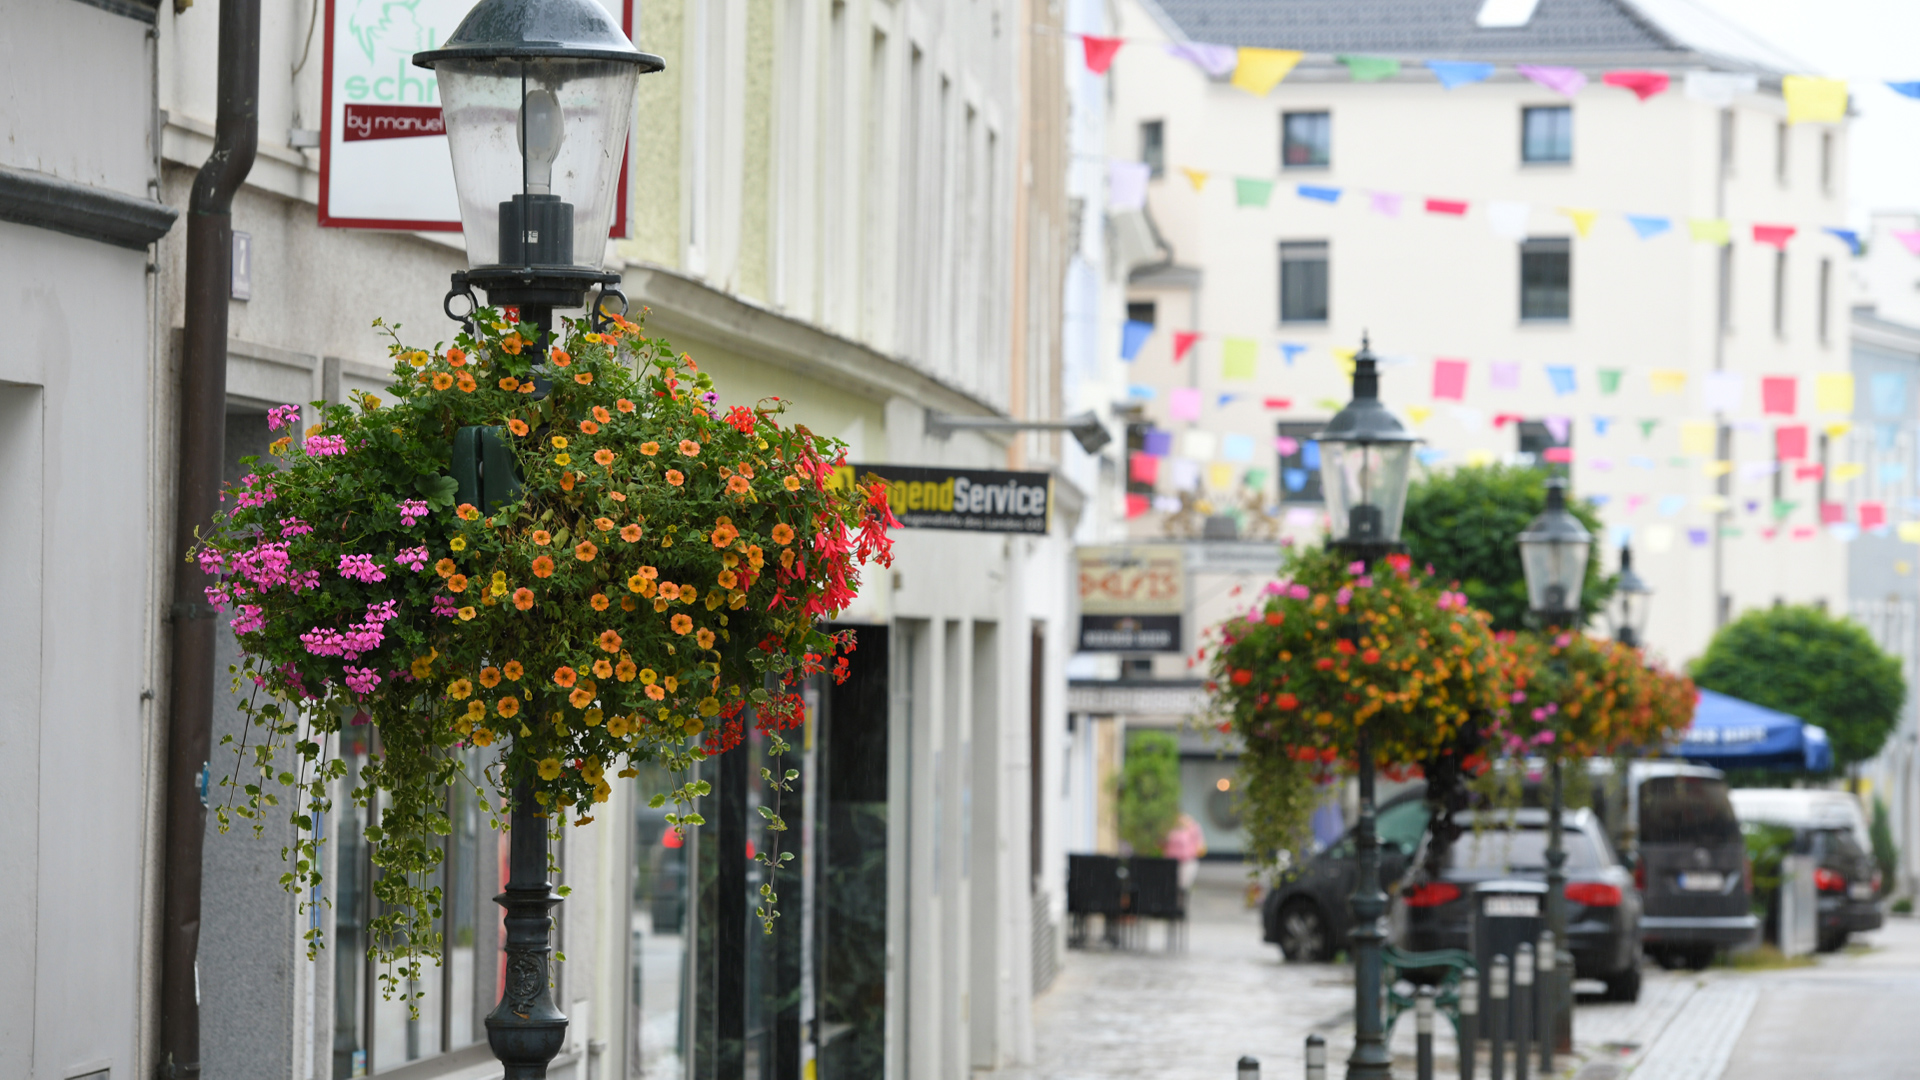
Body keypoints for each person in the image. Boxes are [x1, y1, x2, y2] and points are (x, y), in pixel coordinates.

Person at [1163, 812, 1207, 891]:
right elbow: (1162, 843)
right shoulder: (1169, 828)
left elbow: (1200, 845)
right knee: (1170, 886)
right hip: (1171, 861)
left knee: (1183, 886)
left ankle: (1181, 900)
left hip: (1187, 860)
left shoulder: (1193, 827)